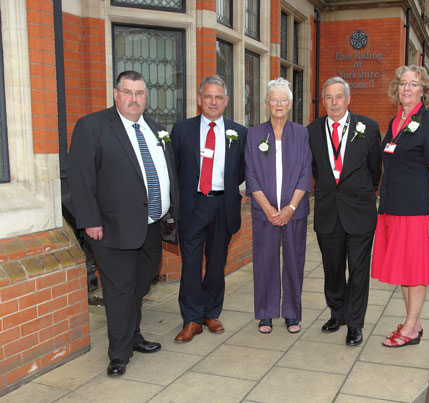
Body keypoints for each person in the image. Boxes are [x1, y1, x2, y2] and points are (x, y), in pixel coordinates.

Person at [68, 71, 179, 376]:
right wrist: (89, 220)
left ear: (146, 97)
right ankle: (118, 352)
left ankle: (133, 335)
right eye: (128, 92)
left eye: (140, 93)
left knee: (141, 283)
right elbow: (81, 176)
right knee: (119, 290)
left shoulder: (156, 129)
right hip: (111, 228)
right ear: (116, 94)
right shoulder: (93, 127)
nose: (134, 98)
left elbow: (167, 174)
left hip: (151, 226)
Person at [371, 65, 429, 347]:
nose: (407, 89)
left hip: (416, 211)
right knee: (404, 270)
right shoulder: (394, 123)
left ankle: (411, 327)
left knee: (415, 270)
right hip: (392, 208)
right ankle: (414, 320)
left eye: (414, 84)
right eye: (403, 83)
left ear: (423, 90)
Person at [170, 76, 247, 342]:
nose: (213, 102)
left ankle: (211, 312)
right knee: (191, 264)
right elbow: (175, 169)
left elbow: (240, 172)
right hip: (193, 205)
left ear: (226, 101)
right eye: (208, 96)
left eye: (218, 97)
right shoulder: (181, 130)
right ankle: (191, 319)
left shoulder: (239, 133)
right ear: (199, 99)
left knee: (216, 263)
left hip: (223, 205)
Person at [308, 77, 382, 346]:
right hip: (328, 212)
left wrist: (362, 192)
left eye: (339, 97)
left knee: (359, 271)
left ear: (348, 99)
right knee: (333, 269)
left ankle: (355, 323)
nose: (334, 102)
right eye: (329, 97)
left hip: (360, 212)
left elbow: (375, 169)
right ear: (323, 100)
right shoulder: (313, 130)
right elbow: (316, 170)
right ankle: (336, 314)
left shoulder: (369, 127)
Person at [245, 77, 312, 334]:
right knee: (265, 261)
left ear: (291, 103)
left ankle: (292, 314)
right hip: (265, 214)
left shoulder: (302, 133)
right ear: (267, 104)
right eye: (274, 100)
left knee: (294, 261)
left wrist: (290, 208)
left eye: (283, 99)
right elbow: (250, 175)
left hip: (294, 212)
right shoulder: (254, 134)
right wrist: (269, 209)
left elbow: (306, 173)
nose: (279, 104)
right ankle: (266, 313)